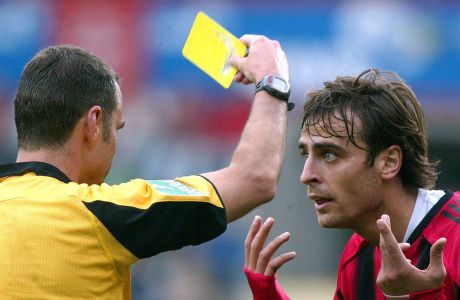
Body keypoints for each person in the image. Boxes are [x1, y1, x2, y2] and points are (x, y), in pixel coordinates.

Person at [0, 34, 292, 299]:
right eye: (116, 129)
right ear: (93, 123)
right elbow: (255, 178)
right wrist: (272, 78)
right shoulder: (100, 214)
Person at [243, 68, 460, 299]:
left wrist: (417, 294)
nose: (306, 175)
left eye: (329, 155)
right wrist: (267, 293)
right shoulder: (356, 257)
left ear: (388, 162)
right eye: (306, 155)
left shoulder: (456, 234)